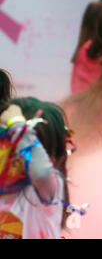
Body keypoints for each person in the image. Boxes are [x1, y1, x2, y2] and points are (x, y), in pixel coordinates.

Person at [0, 97, 73, 238]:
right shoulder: (5, 185)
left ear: (51, 159)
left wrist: (17, 125)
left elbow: (41, 173)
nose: (14, 157)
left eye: (20, 148)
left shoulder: (51, 186)